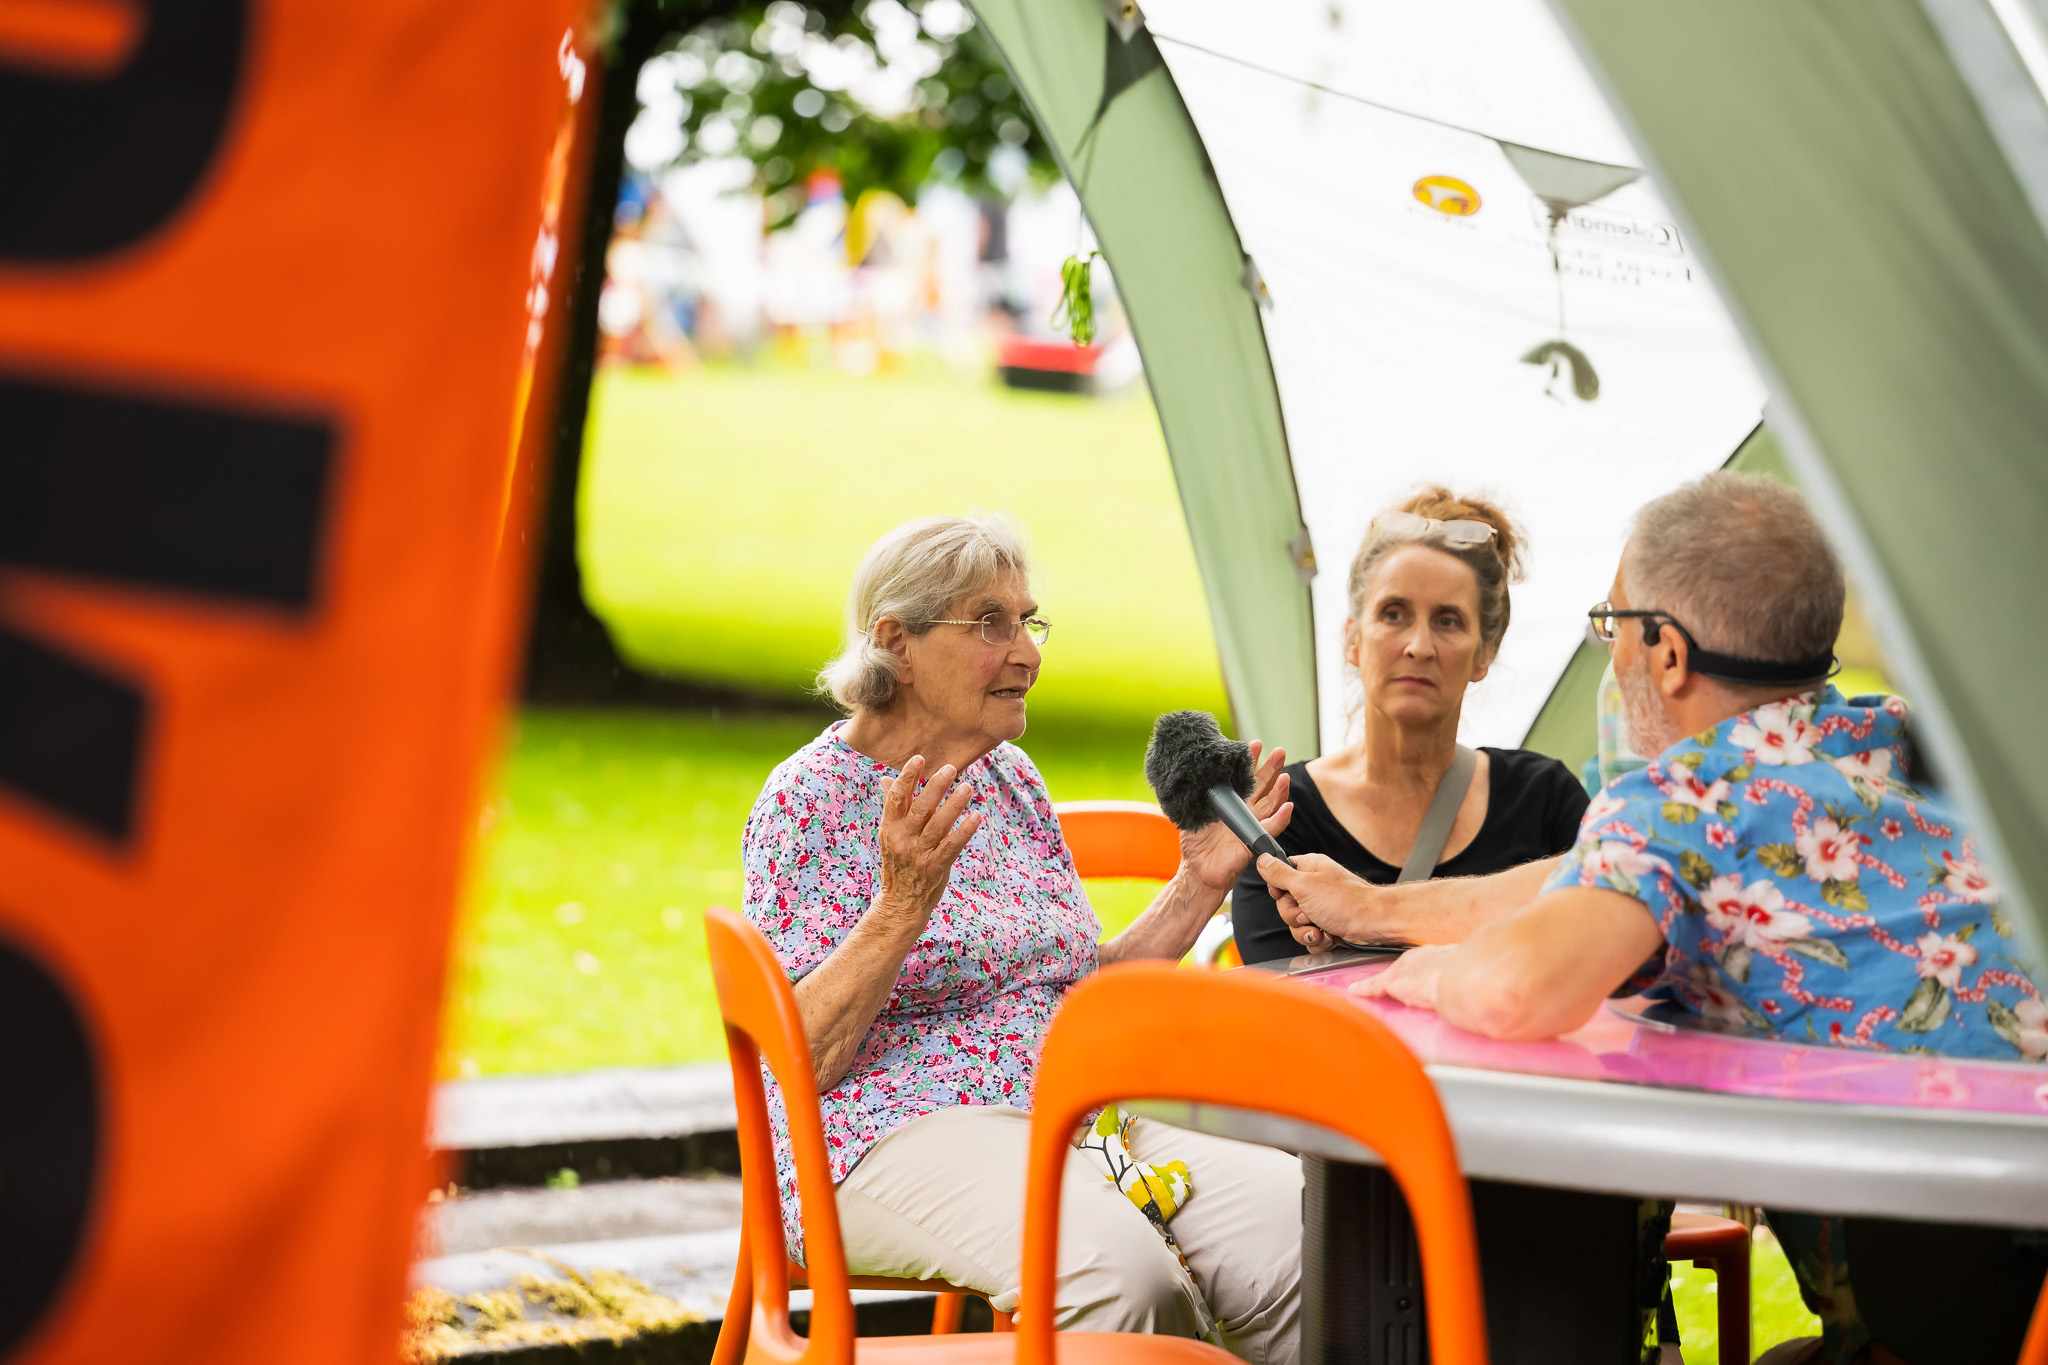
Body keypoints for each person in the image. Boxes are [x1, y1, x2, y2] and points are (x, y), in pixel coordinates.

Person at [1262, 472, 2045, 1365]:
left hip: (1959, 1317)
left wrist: (1433, 970)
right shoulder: (1905, 744)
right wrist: (1383, 906)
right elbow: (1581, 876)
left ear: (1667, 653)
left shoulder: (1685, 803)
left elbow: (1519, 989)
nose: (1614, 655)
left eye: (1615, 625)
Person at [741, 513, 1303, 1363]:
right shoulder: (806, 800)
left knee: (1305, 1227)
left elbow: (1081, 989)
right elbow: (801, 1060)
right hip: (880, 1131)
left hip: (1078, 1112)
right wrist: (901, 908)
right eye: (989, 623)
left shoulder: (1009, 776)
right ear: (895, 641)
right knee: (1120, 1277)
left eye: (1028, 621)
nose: (1029, 652)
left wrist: (1198, 884)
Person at [1230, 488, 1589, 964]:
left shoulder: (1545, 801)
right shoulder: (1281, 815)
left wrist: (1369, 914)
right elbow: (1288, 1011)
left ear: (1485, 654)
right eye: (1393, 614)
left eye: (1448, 621)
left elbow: (1599, 936)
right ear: (1352, 640)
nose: (1419, 645)